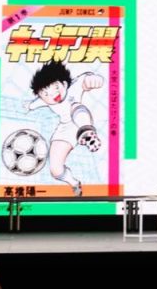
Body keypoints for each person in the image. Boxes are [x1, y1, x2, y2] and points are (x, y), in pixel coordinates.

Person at [28, 61, 104, 196]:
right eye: (45, 93)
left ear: (64, 83)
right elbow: (34, 104)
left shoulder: (75, 86)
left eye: (56, 88)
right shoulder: (44, 100)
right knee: (55, 170)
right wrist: (28, 107)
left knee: (75, 107)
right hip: (65, 129)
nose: (52, 94)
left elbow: (88, 79)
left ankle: (88, 133)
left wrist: (95, 80)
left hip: (81, 119)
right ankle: (73, 182)